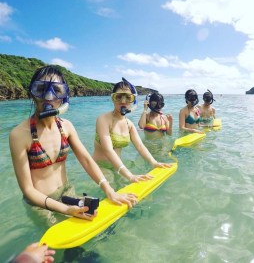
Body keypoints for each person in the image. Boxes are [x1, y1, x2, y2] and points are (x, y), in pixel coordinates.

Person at [9, 66, 137, 223]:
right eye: (41, 89)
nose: (49, 96)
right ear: (32, 93)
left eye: (57, 90)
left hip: (67, 192)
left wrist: (109, 190)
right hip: (40, 204)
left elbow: (87, 160)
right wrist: (66, 210)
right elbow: (28, 190)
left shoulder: (66, 126)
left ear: (64, 96)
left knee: (95, 226)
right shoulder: (19, 134)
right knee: (58, 243)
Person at [93, 78, 171, 184]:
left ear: (133, 100)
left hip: (118, 166)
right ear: (113, 98)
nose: (123, 101)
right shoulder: (103, 119)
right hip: (100, 167)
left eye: (128, 97)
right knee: (111, 186)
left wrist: (154, 162)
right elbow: (108, 150)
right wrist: (129, 175)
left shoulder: (129, 124)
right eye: (119, 97)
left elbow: (140, 146)